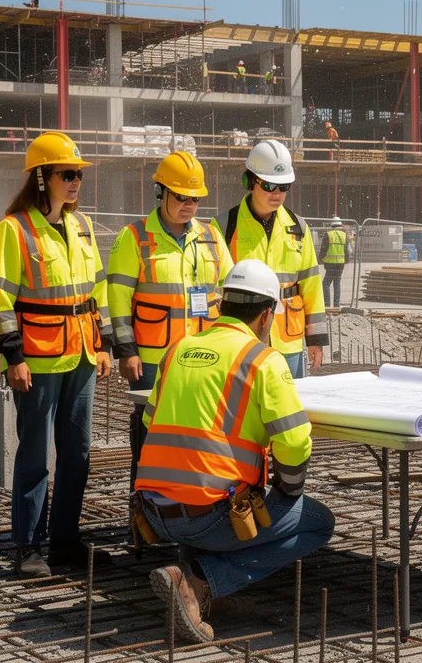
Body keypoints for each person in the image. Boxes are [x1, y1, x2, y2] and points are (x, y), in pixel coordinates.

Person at [138, 259, 335, 643]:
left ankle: (203, 585)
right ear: (266, 316)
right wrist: (288, 494)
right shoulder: (262, 360)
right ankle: (202, 583)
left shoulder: (179, 348)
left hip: (152, 512)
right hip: (205, 518)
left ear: (223, 306)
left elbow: (149, 421)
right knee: (317, 522)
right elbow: (294, 441)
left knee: (215, 488)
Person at [0, 131, 113, 578]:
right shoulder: (13, 230)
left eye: (78, 174)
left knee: (77, 453)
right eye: (67, 174)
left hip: (80, 356)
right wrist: (13, 357)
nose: (76, 182)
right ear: (42, 178)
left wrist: (103, 344)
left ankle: (65, 539)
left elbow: (98, 290)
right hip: (36, 361)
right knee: (36, 455)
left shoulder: (83, 226)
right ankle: (27, 546)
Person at [107, 150, 231, 510]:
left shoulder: (211, 236)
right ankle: (145, 517)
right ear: (160, 192)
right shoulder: (134, 238)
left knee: (198, 443)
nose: (189, 205)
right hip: (152, 363)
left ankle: (188, 513)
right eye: (181, 196)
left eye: (195, 198)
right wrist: (126, 352)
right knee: (150, 444)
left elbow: (231, 291)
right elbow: (118, 300)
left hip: (204, 363)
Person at [214, 140, 328, 378]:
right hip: (242, 337)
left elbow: (311, 285)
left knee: (288, 409)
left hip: (289, 339)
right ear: (250, 182)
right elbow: (216, 288)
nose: (277, 194)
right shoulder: (224, 226)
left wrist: (315, 338)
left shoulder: (298, 228)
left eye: (283, 186)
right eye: (269, 185)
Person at [319, 217, 350, 308]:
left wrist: (320, 259)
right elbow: (347, 249)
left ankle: (327, 304)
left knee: (326, 283)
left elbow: (324, 248)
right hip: (341, 263)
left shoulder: (328, 234)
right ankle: (336, 305)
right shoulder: (344, 235)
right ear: (340, 225)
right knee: (337, 282)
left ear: (332, 225)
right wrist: (346, 259)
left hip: (330, 263)